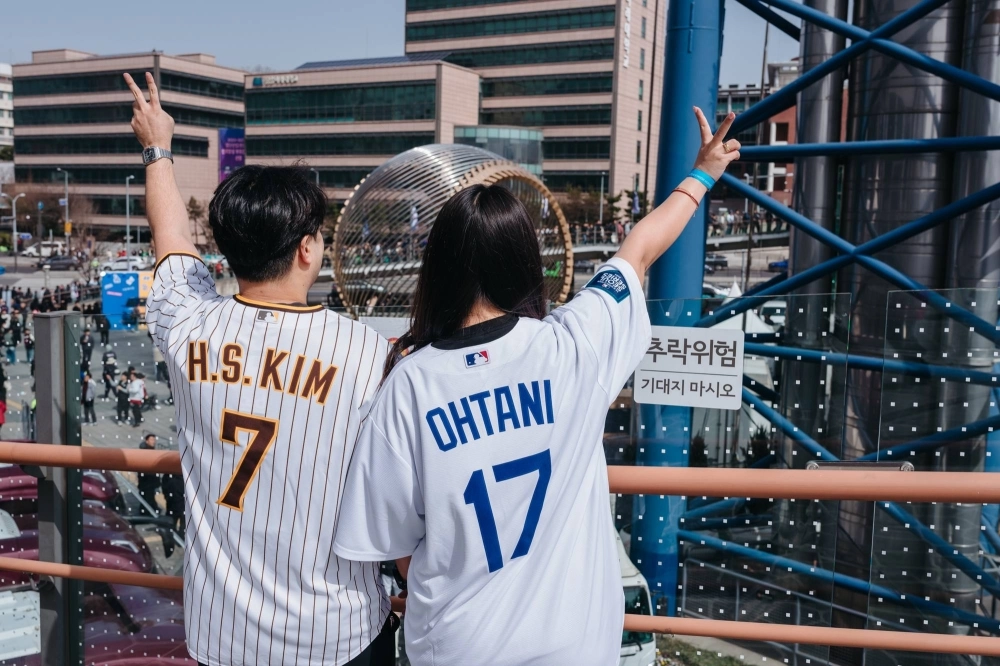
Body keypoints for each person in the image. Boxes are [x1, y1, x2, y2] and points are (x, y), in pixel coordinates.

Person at [333, 109, 741, 664]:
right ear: (526, 264)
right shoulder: (576, 345)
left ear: (440, 269)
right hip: (573, 649)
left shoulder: (410, 381)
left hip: (457, 647)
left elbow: (394, 545)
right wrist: (704, 174)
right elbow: (639, 249)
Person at [124, 72, 396, 666]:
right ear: (305, 249)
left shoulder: (186, 323)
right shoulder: (366, 353)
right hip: (337, 632)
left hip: (223, 636)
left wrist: (157, 149)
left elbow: (168, 237)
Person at [137, 433, 161, 512]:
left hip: (147, 481)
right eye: (151, 440)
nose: (153, 441)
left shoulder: (150, 450)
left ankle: (147, 511)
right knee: (148, 498)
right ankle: (149, 512)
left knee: (147, 498)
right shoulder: (146, 452)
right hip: (147, 481)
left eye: (154, 440)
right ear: (146, 441)